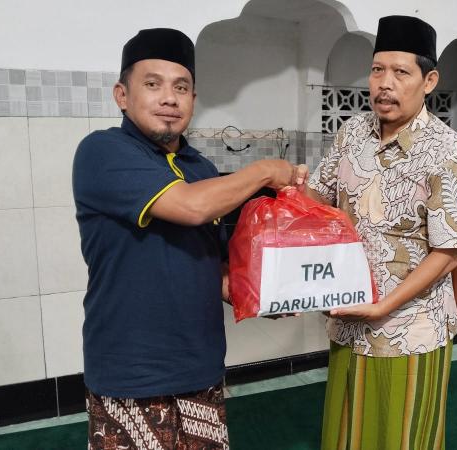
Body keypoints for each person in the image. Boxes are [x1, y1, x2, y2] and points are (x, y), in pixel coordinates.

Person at [72, 28, 306, 449]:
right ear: (122, 95)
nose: (169, 98)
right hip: (132, 375)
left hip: (201, 371)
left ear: (193, 100)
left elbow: (211, 266)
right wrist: (265, 170)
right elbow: (190, 206)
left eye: (181, 88)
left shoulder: (200, 168)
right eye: (152, 84)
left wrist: (260, 296)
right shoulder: (102, 151)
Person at [305, 16, 457, 450]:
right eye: (377, 70)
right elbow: (317, 199)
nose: (385, 83)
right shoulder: (352, 133)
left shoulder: (448, 150)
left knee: (402, 436)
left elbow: (448, 253)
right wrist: (285, 192)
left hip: (410, 327)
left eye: (401, 72)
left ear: (429, 81)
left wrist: (383, 307)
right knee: (347, 431)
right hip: (349, 318)